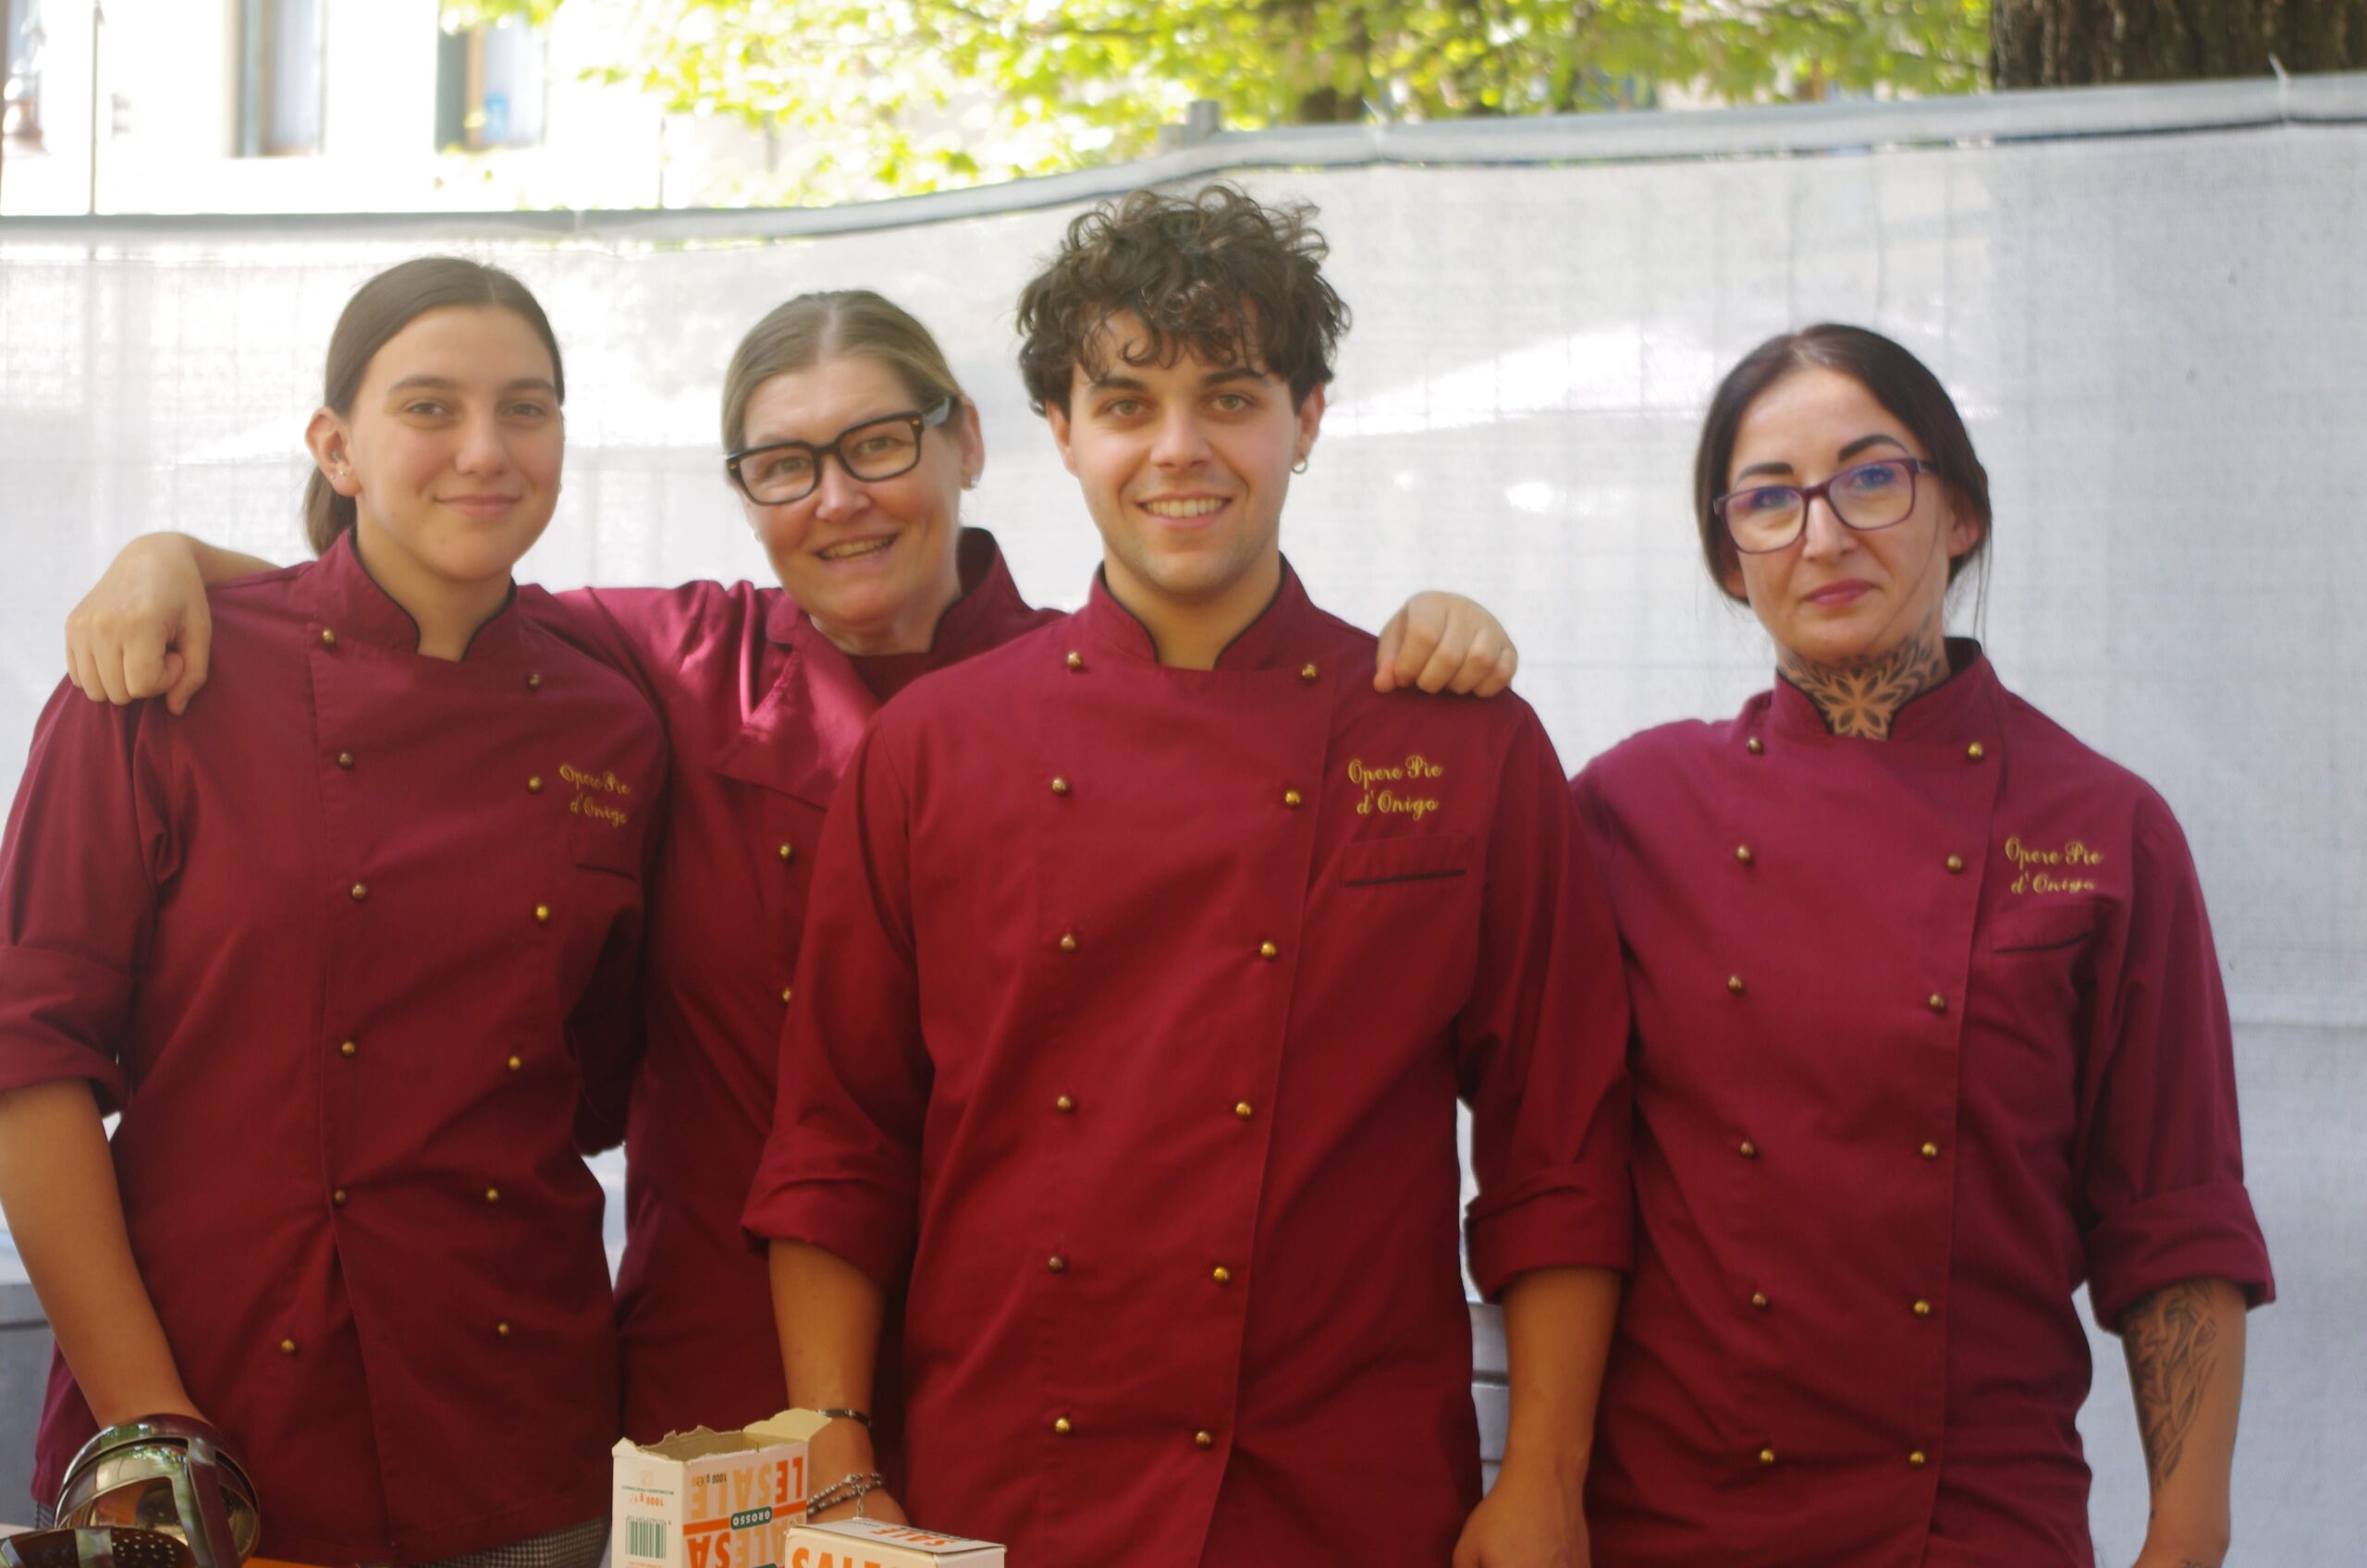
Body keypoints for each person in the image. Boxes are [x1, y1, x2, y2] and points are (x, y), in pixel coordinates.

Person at [57, 290, 1525, 1450]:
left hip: (1034, 1370)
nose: (840, 500)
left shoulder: (1096, 689)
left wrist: (1434, 630)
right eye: (783, 467)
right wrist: (169, 556)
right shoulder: (666, 659)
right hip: (716, 1371)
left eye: (879, 445)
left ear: (968, 440)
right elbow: (417, 576)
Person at [742, 185, 1633, 1567]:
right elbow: (838, 1145)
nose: (1179, 449)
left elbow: (1558, 1150)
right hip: (1010, 1494)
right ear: (1060, 431)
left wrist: (1547, 1482)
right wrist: (838, 1456)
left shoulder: (1463, 745)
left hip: (1343, 1499)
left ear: (1308, 418)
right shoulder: (930, 752)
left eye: (1231, 397)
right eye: (1127, 404)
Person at [1569, 324, 2275, 1567]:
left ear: (1961, 513)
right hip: (1671, 1523)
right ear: (1731, 559)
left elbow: (2173, 1218)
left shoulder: (2103, 829)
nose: (1824, 535)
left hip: (1973, 1527)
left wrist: (2186, 1539)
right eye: (1769, 499)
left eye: (1871, 478)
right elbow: (1549, 1177)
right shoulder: (1632, 811)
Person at [0, 258, 667, 1567]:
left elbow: (589, 1081)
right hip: (207, 1425)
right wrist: (151, 1427)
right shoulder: (164, 677)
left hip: (523, 1439)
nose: (485, 449)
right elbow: (29, 1063)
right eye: (429, 407)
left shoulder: (614, 725)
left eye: (526, 409)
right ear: (336, 446)